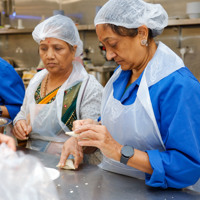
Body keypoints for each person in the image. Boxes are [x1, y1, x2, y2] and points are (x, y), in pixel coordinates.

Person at [58, 0, 200, 190]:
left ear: (142, 33)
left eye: (113, 44)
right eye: (103, 47)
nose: (109, 55)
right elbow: (117, 126)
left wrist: (119, 152)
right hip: (115, 186)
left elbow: (187, 167)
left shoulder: (177, 86)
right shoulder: (121, 77)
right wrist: (88, 134)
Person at [12, 15, 103, 157]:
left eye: (58, 48)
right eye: (43, 48)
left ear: (73, 50)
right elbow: (23, 113)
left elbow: (95, 140)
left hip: (74, 166)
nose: (49, 55)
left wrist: (80, 141)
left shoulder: (87, 87)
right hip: (35, 162)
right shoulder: (36, 80)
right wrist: (20, 124)